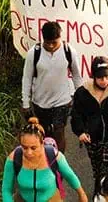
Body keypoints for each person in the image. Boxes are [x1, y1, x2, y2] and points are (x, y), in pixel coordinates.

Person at [71, 56, 108, 199]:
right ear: (94, 77)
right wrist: (80, 132)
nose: (104, 81)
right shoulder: (82, 93)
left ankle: (107, 193)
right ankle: (100, 187)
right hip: (92, 139)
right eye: (100, 78)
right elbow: (76, 115)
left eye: (106, 76)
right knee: (97, 168)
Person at [22, 21, 84, 152]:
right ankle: (45, 163)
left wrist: (81, 98)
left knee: (58, 132)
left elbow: (77, 76)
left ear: (60, 37)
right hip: (40, 102)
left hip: (62, 101)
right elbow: (26, 79)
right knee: (43, 134)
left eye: (54, 42)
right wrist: (26, 103)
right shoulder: (34, 53)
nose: (50, 46)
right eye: (47, 42)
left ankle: (59, 163)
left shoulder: (68, 51)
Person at [2, 118, 90, 202]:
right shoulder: (14, 158)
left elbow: (70, 176)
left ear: (42, 143)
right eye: (24, 147)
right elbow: (6, 189)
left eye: (33, 148)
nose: (29, 152)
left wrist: (81, 194)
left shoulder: (54, 156)